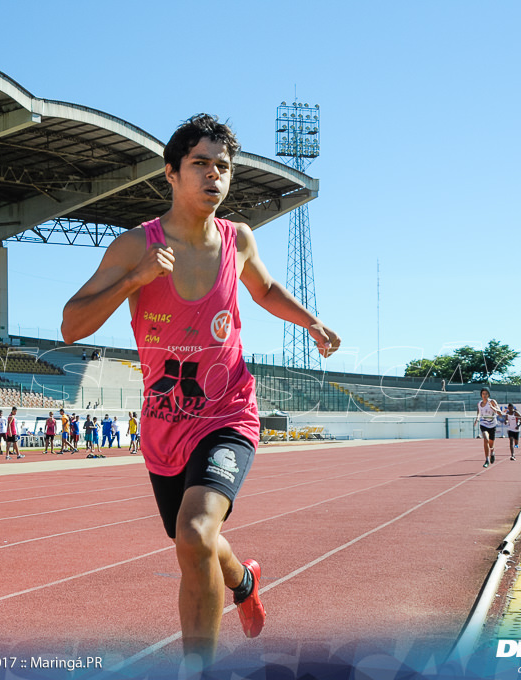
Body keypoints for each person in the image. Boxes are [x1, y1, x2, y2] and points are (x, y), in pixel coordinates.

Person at [61, 114, 340, 669]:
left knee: (194, 532)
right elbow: (72, 325)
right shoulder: (134, 245)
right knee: (197, 544)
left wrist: (310, 321)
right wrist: (135, 279)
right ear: (171, 173)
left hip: (228, 414)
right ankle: (243, 581)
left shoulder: (239, 240)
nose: (214, 175)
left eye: (224, 167)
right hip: (166, 428)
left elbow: (264, 288)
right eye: (201, 164)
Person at [476, 388, 501, 468]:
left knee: (491, 444)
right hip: (483, 423)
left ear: (488, 395)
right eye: (483, 394)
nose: (484, 395)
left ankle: (492, 451)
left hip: (492, 424)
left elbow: (500, 413)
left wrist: (493, 408)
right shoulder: (479, 403)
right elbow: (478, 412)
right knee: (485, 439)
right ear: (481, 395)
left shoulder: (492, 402)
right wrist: (477, 418)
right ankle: (487, 459)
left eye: (486, 394)